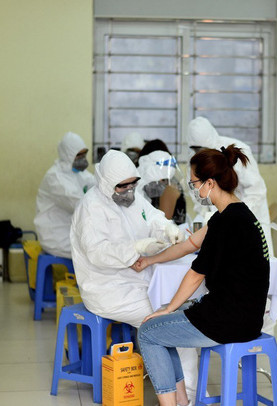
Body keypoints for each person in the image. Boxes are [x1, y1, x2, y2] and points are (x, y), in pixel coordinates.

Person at [136, 145, 270, 406]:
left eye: (194, 183)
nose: (193, 189)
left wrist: (169, 308)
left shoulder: (225, 222)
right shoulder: (238, 213)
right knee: (163, 321)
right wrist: (150, 260)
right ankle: (181, 401)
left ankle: (171, 404)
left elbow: (196, 274)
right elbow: (189, 245)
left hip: (228, 320)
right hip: (247, 316)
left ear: (210, 182)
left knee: (148, 331)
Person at [69, 149, 199, 403]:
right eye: (122, 186)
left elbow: (152, 217)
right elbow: (98, 253)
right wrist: (136, 249)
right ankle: (185, 397)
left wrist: (167, 228)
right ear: (107, 184)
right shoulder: (91, 208)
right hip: (107, 289)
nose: (129, 189)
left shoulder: (132, 197)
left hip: (137, 281)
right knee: (169, 325)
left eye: (133, 183)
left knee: (175, 316)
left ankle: (183, 397)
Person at [187, 117, 273, 254]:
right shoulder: (196, 159)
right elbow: (196, 190)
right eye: (195, 148)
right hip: (218, 223)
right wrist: (205, 216)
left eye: (202, 148)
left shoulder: (235, 151)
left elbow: (257, 191)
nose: (199, 151)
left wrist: (233, 216)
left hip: (248, 220)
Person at [34, 132, 95, 258]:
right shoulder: (55, 177)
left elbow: (96, 184)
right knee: (95, 252)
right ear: (68, 155)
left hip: (70, 229)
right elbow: (79, 204)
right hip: (56, 236)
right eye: (79, 155)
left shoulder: (78, 173)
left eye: (84, 153)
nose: (83, 158)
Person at [137, 150, 186, 225]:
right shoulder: (136, 195)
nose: (165, 185)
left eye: (167, 181)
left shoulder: (168, 191)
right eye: (163, 180)